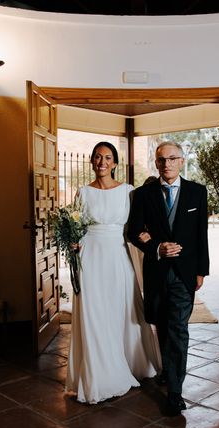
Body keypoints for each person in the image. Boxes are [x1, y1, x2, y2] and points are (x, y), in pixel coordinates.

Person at [65, 141, 161, 404]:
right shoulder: (83, 192)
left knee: (122, 309)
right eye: (97, 157)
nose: (102, 162)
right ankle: (100, 374)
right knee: (93, 312)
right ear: (92, 161)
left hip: (118, 256)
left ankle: (131, 362)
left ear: (115, 163)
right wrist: (73, 240)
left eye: (108, 157)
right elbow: (77, 226)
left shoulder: (129, 192)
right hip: (91, 257)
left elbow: (137, 225)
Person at [127, 141, 209, 416]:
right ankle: (167, 369)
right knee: (160, 323)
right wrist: (156, 248)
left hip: (185, 274)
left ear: (182, 161)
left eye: (172, 159)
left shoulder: (198, 193)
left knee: (177, 329)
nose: (167, 164)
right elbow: (135, 231)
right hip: (156, 271)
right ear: (156, 163)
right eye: (161, 160)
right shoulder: (143, 194)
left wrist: (201, 271)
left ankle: (175, 391)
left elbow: (201, 236)